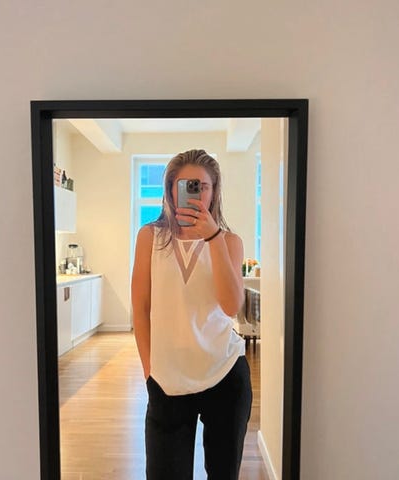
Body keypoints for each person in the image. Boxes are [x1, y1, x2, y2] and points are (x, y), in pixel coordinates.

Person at [131, 149, 252, 480]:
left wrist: (213, 238)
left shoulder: (229, 241)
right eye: (185, 185)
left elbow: (231, 306)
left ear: (214, 192)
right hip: (167, 380)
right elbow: (140, 307)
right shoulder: (150, 237)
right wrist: (149, 371)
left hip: (224, 373)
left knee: (223, 474)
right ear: (171, 190)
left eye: (202, 186)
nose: (194, 193)